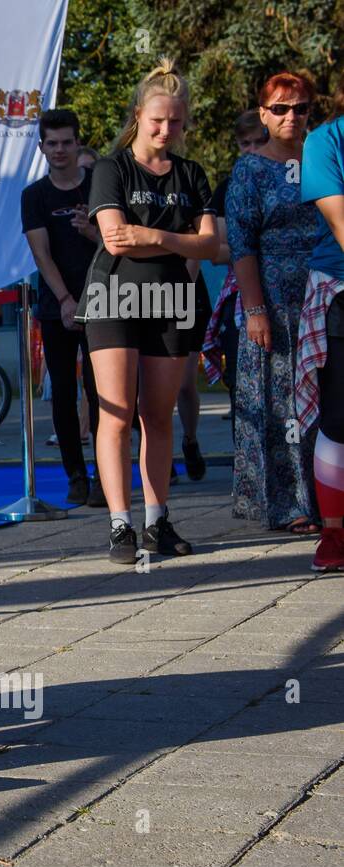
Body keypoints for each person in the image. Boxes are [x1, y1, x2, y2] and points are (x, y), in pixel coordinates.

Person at [75, 59, 219, 564]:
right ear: (139, 115)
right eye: (157, 119)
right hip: (114, 297)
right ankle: (120, 525)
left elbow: (213, 247)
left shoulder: (192, 174)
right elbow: (116, 239)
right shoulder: (112, 168)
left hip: (174, 301)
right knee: (114, 417)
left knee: (158, 416)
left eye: (176, 122)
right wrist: (181, 243)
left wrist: (153, 236)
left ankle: (157, 521)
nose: (166, 130)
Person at [224, 73, 322, 533]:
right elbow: (242, 244)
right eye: (280, 109)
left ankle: (329, 499)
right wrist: (255, 310)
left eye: (299, 108)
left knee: (326, 400)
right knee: (283, 403)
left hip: (325, 292)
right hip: (275, 300)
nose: (291, 117)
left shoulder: (324, 157)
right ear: (263, 114)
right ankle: (290, 504)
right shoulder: (250, 170)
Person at [22, 109, 104, 507]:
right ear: (42, 147)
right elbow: (41, 254)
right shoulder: (34, 195)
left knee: (103, 391)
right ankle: (76, 474)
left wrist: (93, 231)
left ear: (77, 143)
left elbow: (119, 242)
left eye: (66, 142)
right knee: (63, 394)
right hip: (58, 308)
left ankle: (107, 476)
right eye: (51, 143)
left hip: (106, 301)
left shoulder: (100, 185)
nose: (59, 150)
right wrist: (67, 300)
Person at [295, 79, 344, 570]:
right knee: (339, 418)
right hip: (340, 289)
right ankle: (333, 535)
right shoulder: (325, 141)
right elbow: (341, 222)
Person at [202, 111, 272, 429]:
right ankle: (244, 469)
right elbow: (215, 249)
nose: (254, 150)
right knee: (241, 386)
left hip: (286, 294)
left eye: (261, 141)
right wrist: (260, 248)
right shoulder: (229, 186)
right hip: (241, 298)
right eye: (246, 143)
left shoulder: (295, 177)